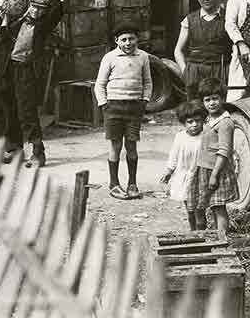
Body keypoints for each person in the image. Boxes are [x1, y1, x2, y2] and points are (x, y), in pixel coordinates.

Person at [0, 0, 63, 166]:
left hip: (25, 70)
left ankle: (37, 153)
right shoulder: (16, 24)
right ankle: (14, 149)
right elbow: (2, 40)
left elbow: (57, 10)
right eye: (34, 7)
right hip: (7, 70)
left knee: (26, 110)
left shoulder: (41, 27)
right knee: (9, 108)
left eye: (40, 9)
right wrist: (5, 18)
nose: (36, 11)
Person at [94, 23, 153, 200]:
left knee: (132, 145)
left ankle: (132, 183)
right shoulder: (110, 57)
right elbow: (100, 84)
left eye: (132, 39)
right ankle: (114, 184)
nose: (128, 43)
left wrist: (145, 101)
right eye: (124, 39)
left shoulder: (143, 57)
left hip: (134, 108)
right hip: (113, 108)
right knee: (115, 145)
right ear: (117, 41)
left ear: (138, 39)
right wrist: (104, 104)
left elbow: (148, 81)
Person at [174, 0, 232, 100]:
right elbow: (178, 50)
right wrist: (186, 72)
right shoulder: (189, 20)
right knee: (196, 110)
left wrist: (231, 71)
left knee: (219, 107)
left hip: (220, 70)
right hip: (195, 71)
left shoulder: (229, 17)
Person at [195, 77, 238, 233]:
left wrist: (214, 175)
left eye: (215, 99)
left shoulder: (225, 123)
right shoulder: (208, 118)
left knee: (219, 207)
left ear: (222, 99)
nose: (211, 103)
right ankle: (209, 236)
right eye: (207, 100)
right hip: (206, 168)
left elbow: (224, 151)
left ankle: (222, 240)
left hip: (218, 171)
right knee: (210, 206)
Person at [160, 102, 206, 230]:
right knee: (190, 209)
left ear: (203, 120)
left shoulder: (206, 136)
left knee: (199, 210)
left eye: (197, 121)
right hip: (185, 177)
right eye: (190, 122)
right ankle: (193, 232)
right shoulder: (180, 137)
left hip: (201, 177)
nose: (194, 125)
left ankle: (201, 234)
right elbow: (173, 156)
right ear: (184, 123)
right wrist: (169, 171)